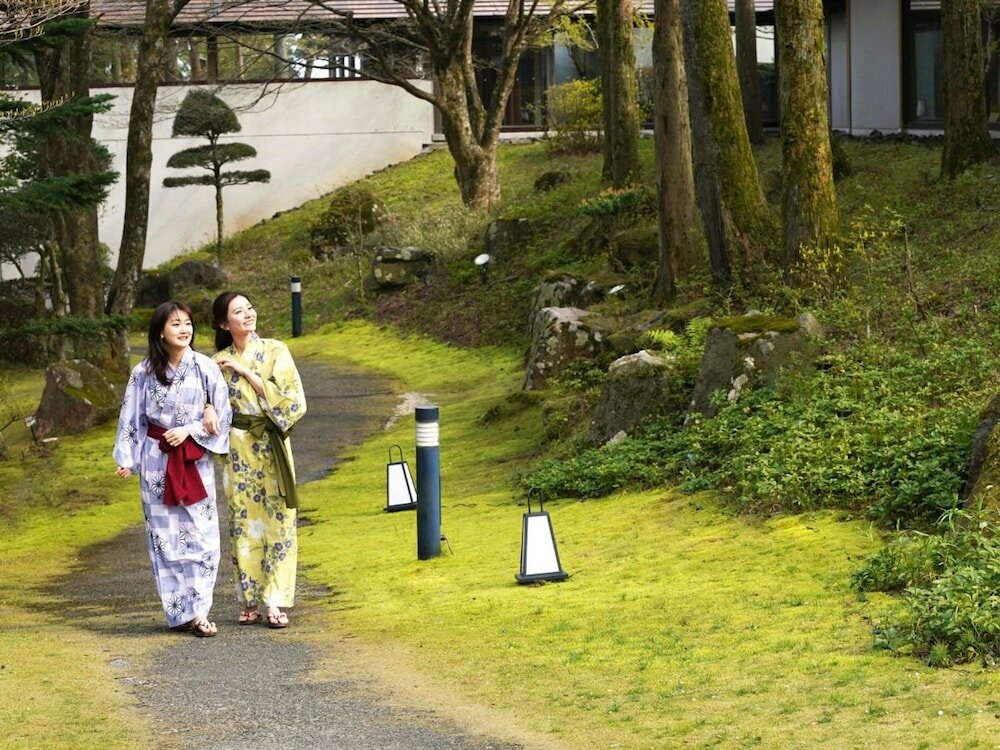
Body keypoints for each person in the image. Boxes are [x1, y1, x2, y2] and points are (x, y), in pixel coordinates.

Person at [113, 301, 232, 637]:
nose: (184, 329)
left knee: (203, 536)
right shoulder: (143, 372)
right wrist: (127, 458)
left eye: (188, 323)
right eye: (176, 324)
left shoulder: (205, 368)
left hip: (193, 460)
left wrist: (193, 428)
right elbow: (131, 417)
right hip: (156, 461)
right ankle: (180, 612)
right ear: (161, 332)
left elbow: (222, 416)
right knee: (164, 538)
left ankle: (200, 609)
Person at [211, 291, 307, 629]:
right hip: (238, 449)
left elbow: (294, 402)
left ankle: (275, 600)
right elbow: (209, 403)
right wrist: (209, 411)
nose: (248, 314)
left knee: (279, 520)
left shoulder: (276, 350)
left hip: (272, 444)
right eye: (238, 311)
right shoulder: (217, 361)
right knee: (244, 520)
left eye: (250, 307)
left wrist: (247, 373)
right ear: (224, 323)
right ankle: (249, 598)